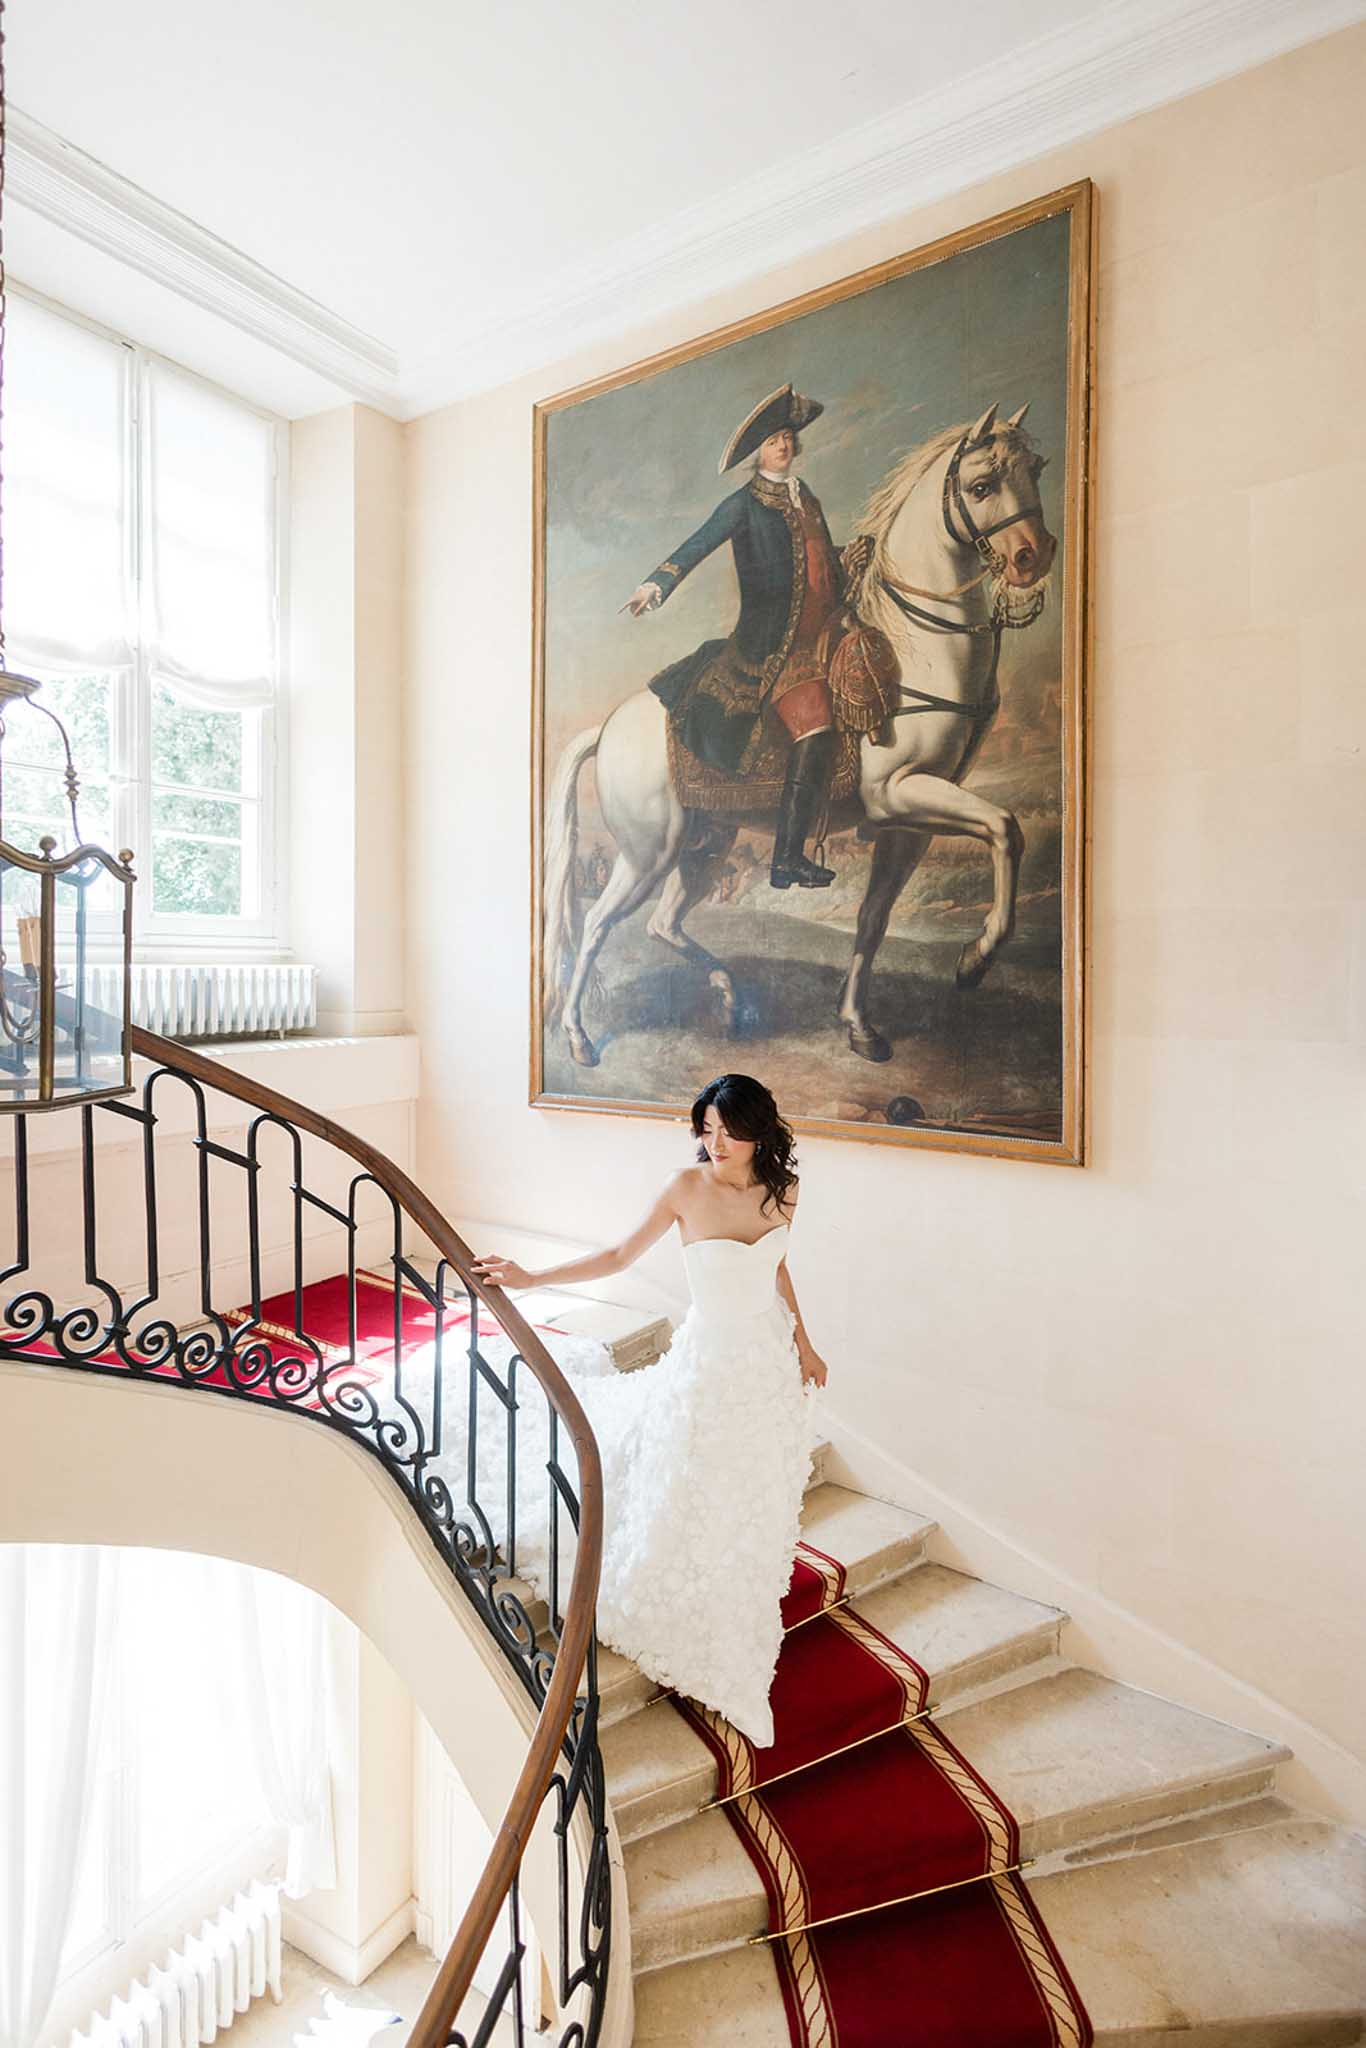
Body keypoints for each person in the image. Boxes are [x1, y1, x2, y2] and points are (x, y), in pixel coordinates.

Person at [473, 1073, 828, 1745]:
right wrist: (531, 1277)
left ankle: (733, 1587)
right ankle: (689, 1609)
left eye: (729, 1131)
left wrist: (805, 1344)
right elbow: (616, 1254)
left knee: (747, 1492)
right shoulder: (685, 1189)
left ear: (759, 1132)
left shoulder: (785, 1189)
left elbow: (777, 1269)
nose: (715, 1142)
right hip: (710, 1368)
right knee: (686, 1483)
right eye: (707, 1128)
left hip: (765, 1366)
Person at [625, 384, 870, 892]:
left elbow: (818, 564)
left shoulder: (809, 500)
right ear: (759, 451)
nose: (782, 444)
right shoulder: (742, 505)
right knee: (816, 728)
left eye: (787, 437)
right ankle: (787, 859)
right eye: (773, 439)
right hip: (772, 648)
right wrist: (657, 583)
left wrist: (848, 559)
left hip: (824, 635)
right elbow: (699, 544)